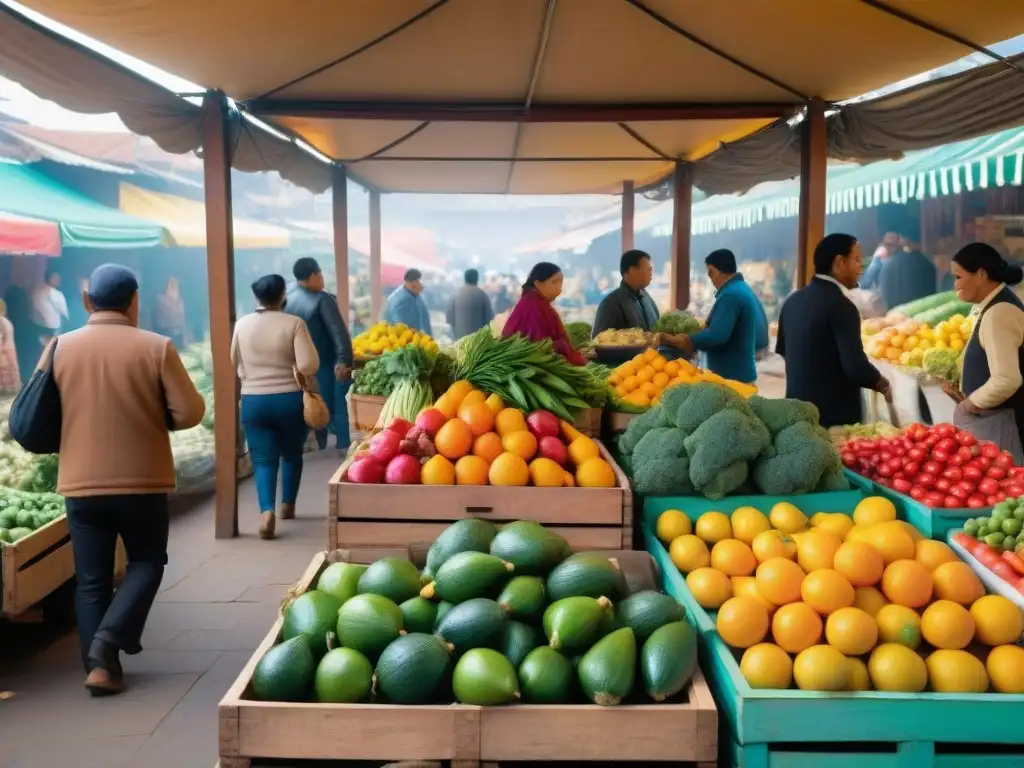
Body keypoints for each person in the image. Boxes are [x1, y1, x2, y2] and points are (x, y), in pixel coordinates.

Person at [52, 264, 205, 696]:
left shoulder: (59, 347)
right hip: (143, 481)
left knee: (92, 580)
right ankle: (105, 644)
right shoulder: (156, 347)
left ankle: (101, 667)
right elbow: (191, 412)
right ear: (135, 300)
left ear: (86, 301)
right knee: (146, 562)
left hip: (80, 484)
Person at [233, 274, 320, 539]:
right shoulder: (293, 323)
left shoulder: (242, 324)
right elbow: (308, 365)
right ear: (283, 294)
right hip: (289, 399)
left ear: (256, 297)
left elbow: (234, 361)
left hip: (253, 401)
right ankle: (287, 506)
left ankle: (266, 511)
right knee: (292, 453)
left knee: (262, 459)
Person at [776, 234, 891, 428]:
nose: (860, 268)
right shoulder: (842, 306)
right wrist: (882, 383)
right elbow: (856, 368)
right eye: (856, 260)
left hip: (796, 415)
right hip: (833, 421)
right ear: (839, 262)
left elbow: (784, 351)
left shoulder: (792, 301)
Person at [947, 243, 1024, 455]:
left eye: (958, 277)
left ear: (981, 274)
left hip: (1004, 421)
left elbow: (1007, 379)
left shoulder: (999, 313)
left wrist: (971, 404)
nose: (955, 286)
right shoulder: (994, 307)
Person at [285, 258, 353, 452]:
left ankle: (320, 442)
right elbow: (338, 333)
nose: (323, 278)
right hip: (327, 362)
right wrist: (344, 360)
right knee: (340, 405)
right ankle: (343, 445)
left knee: (312, 403)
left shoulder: (288, 296)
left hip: (300, 364)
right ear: (313, 275)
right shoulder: (323, 299)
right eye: (321, 274)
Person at [671, 249, 768, 384]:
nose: (710, 278)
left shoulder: (731, 295)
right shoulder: (741, 288)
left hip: (732, 377)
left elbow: (717, 335)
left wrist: (687, 339)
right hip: (740, 372)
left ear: (718, 271)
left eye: (710, 272)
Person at [502, 262, 587, 365]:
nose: (559, 288)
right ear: (538, 283)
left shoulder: (535, 302)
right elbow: (541, 348)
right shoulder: (532, 307)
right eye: (554, 282)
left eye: (561, 283)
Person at [592, 250, 660, 337]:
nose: (651, 272)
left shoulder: (646, 297)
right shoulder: (611, 303)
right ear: (632, 270)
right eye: (647, 268)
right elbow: (598, 341)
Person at [879, 234, 937, 311]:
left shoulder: (888, 264)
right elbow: (931, 296)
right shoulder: (926, 263)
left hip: (894, 315)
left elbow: (885, 295)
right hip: (920, 315)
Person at [447, 268, 495, 339]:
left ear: (465, 279)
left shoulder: (455, 294)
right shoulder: (482, 295)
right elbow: (489, 319)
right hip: (477, 340)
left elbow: (449, 318)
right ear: (477, 279)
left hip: (459, 338)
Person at [385, 268, 433, 335]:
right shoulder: (401, 299)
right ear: (412, 284)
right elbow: (398, 325)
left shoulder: (415, 294)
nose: (423, 285)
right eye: (420, 281)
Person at [31, 268, 69, 350]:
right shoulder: (57, 294)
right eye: (56, 278)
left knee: (40, 351)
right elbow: (65, 314)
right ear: (50, 278)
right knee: (51, 351)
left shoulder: (37, 291)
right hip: (52, 329)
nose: (59, 280)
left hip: (37, 327)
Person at [153, 276, 187, 349]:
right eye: (172, 285)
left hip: (178, 336)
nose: (175, 288)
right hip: (166, 335)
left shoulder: (180, 301)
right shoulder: (160, 299)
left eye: (175, 285)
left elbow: (181, 319)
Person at [0, 299, 20, 393]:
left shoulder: (3, 323)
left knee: (5, 369)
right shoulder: (5, 322)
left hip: (5, 351)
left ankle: (7, 389)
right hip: (8, 349)